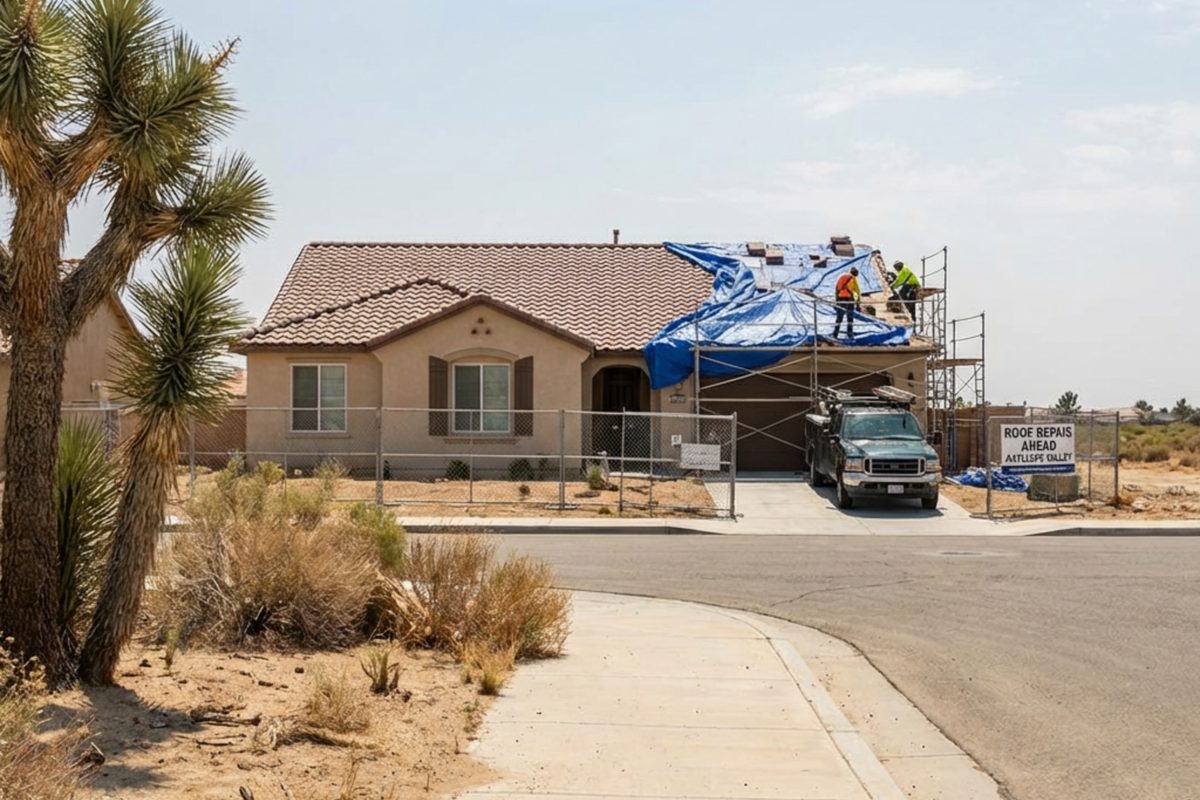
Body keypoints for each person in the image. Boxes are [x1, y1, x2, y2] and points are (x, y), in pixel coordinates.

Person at [832, 266, 859, 339]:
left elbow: (837, 288)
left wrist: (836, 300)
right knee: (850, 317)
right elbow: (857, 291)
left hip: (840, 298)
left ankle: (835, 334)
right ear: (855, 274)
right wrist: (858, 303)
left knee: (839, 317)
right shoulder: (853, 279)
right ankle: (850, 334)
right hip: (848, 299)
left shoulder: (842, 277)